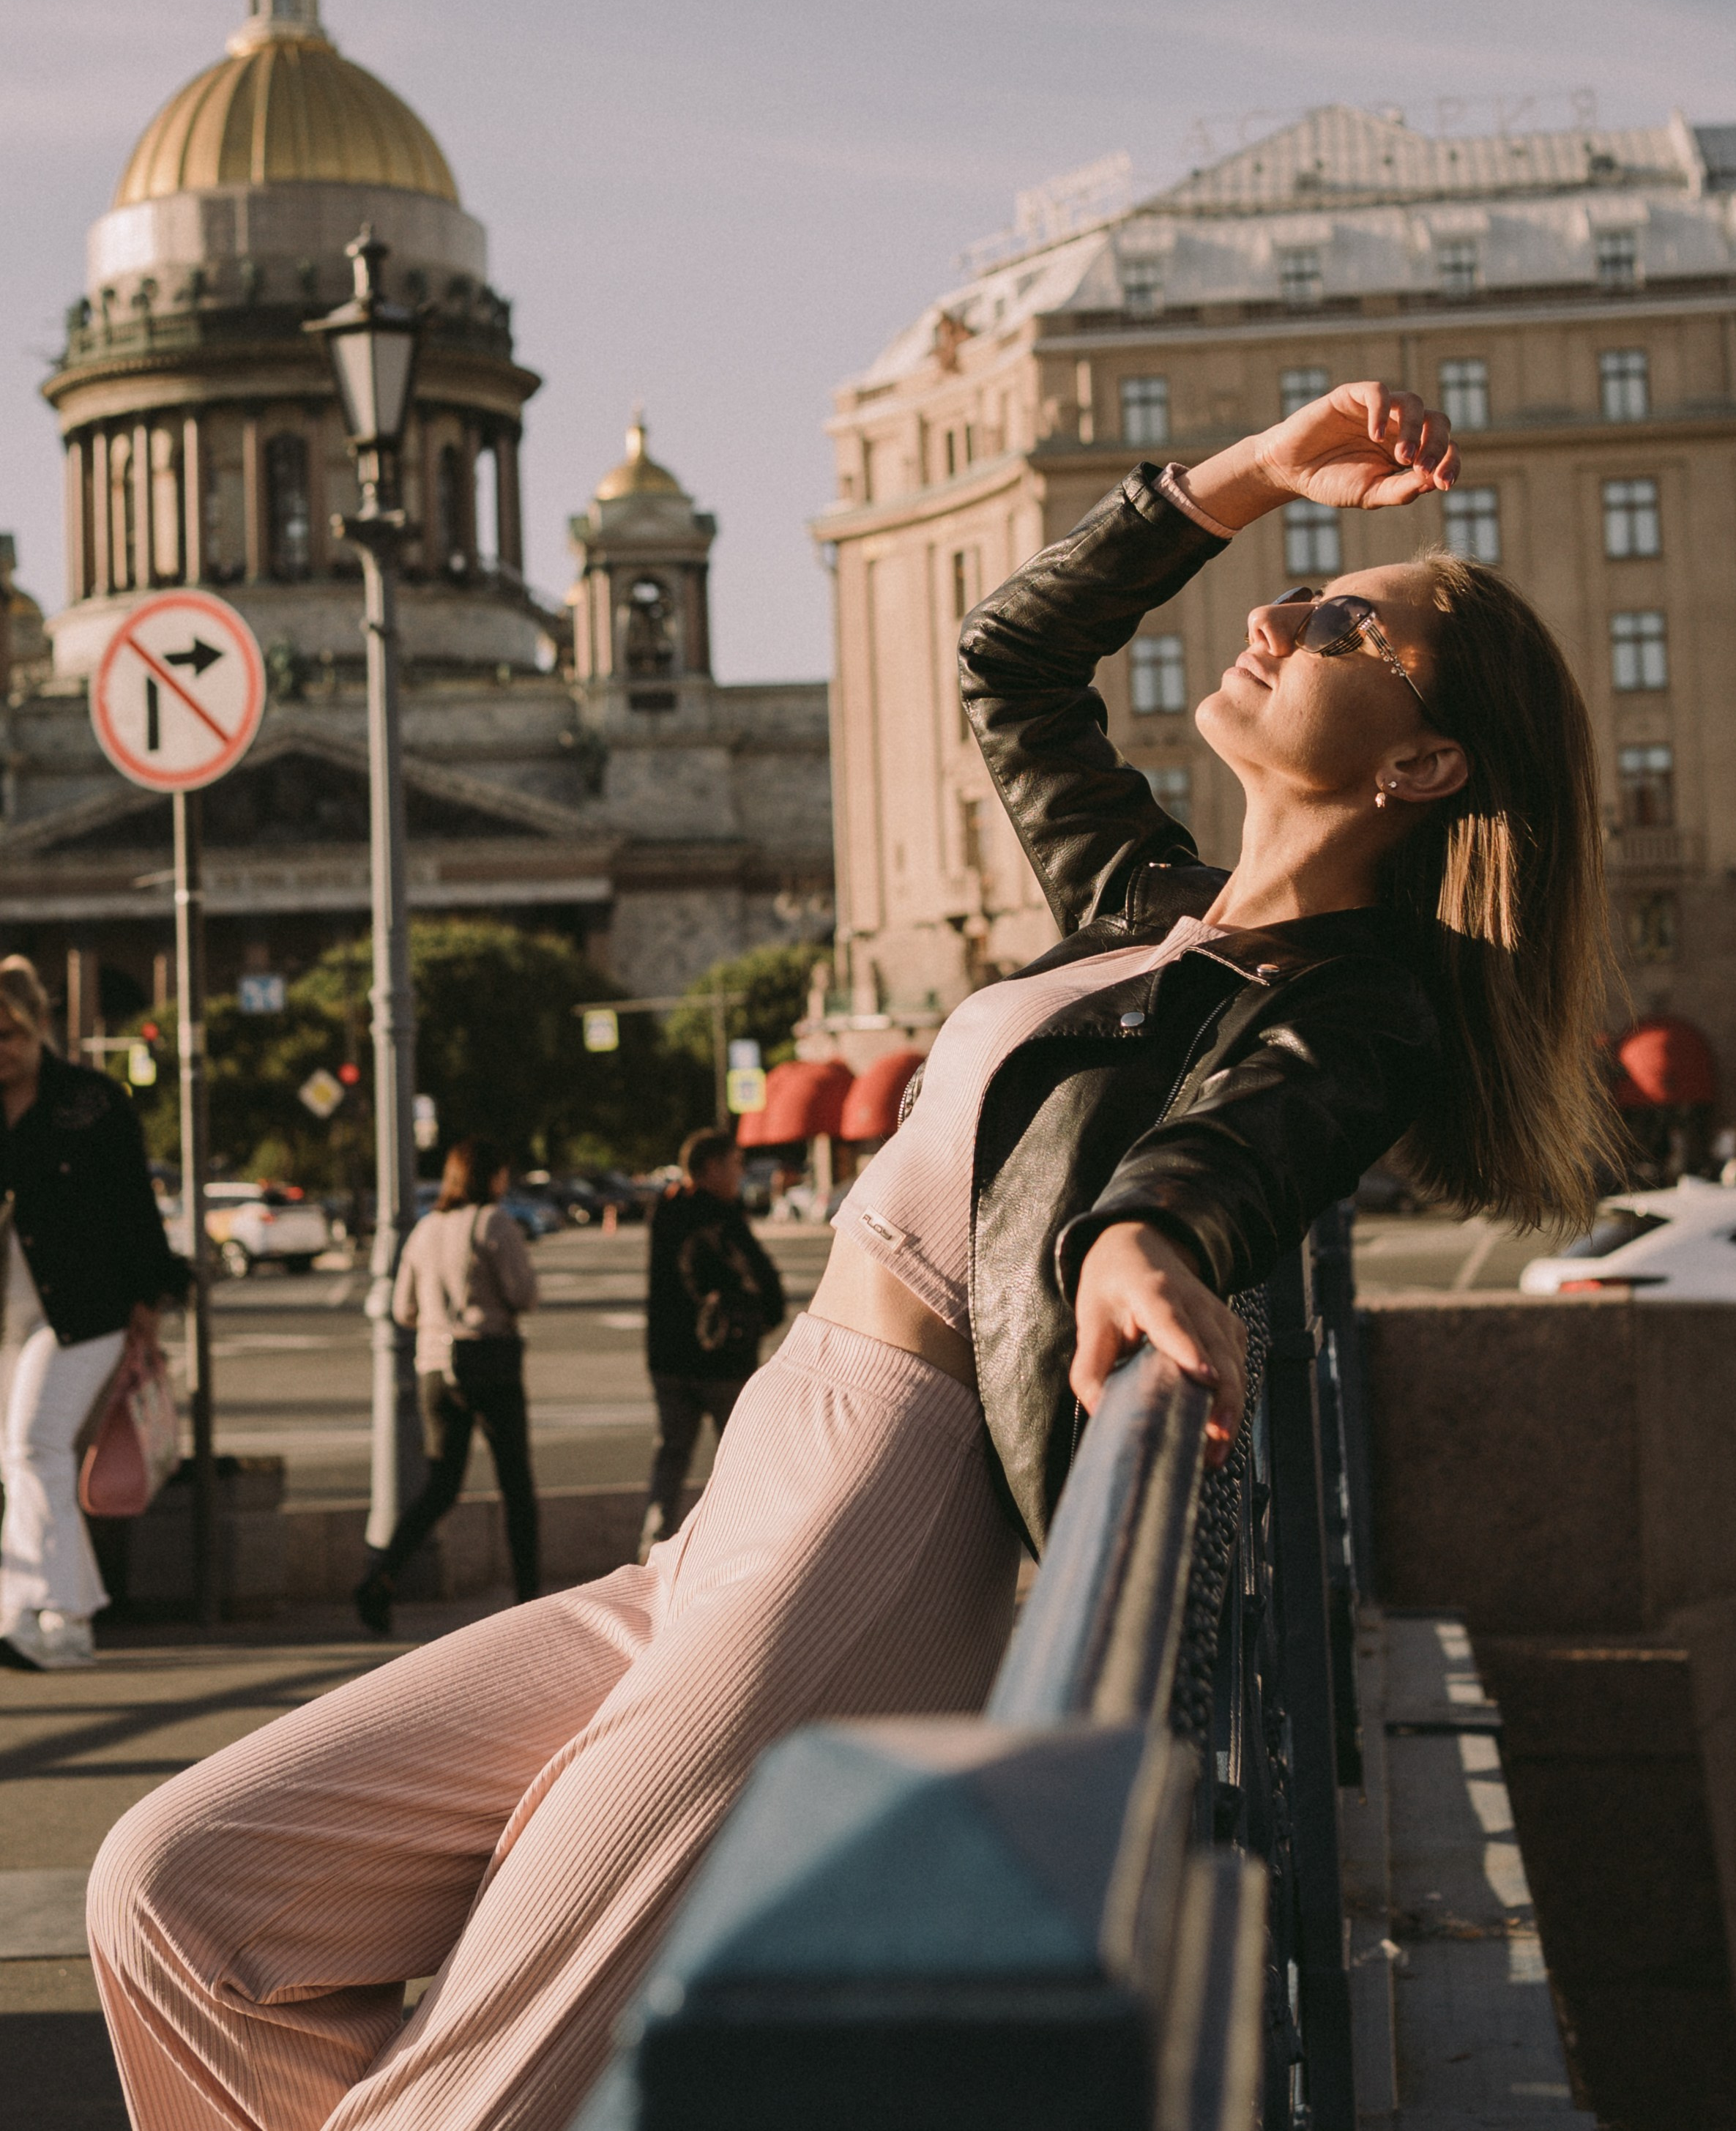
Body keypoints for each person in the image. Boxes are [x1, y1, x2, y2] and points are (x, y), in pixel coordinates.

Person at [90, 384, 1619, 2131]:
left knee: (470, 2100)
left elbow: (1239, 1150)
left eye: (1351, 620)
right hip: (750, 1496)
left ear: (1419, 767)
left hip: (874, 1526)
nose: (1278, 614)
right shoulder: (1148, 908)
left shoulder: (1365, 1008)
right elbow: (1010, 659)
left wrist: (1139, 1238)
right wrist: (1257, 474)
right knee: (174, 1893)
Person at [0, 956, 189, 1670]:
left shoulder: (90, 1100)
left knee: (33, 1445)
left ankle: (62, 1616)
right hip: (7, 1315)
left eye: (9, 1033)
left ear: (37, 1025)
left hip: (84, 1308)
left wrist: (148, 1296)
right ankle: (39, 1614)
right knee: (17, 1459)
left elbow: (132, 1206)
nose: (1, 1050)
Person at [353, 1139, 540, 1636]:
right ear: (489, 1177)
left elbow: (402, 1311)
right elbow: (524, 1294)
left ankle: (380, 1574)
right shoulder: (494, 1223)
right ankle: (530, 1603)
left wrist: (438, 1320)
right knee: (516, 1485)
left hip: (436, 1369)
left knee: (441, 1485)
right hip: (490, 1364)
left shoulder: (424, 1229)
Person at [639, 1128, 786, 1559]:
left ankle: (649, 1551)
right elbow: (760, 1276)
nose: (741, 1173)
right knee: (739, 1462)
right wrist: (766, 1315)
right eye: (735, 1164)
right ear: (711, 1168)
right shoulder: (719, 1217)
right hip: (723, 1358)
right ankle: (742, 1554)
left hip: (667, 1359)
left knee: (671, 1457)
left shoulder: (664, 1211)